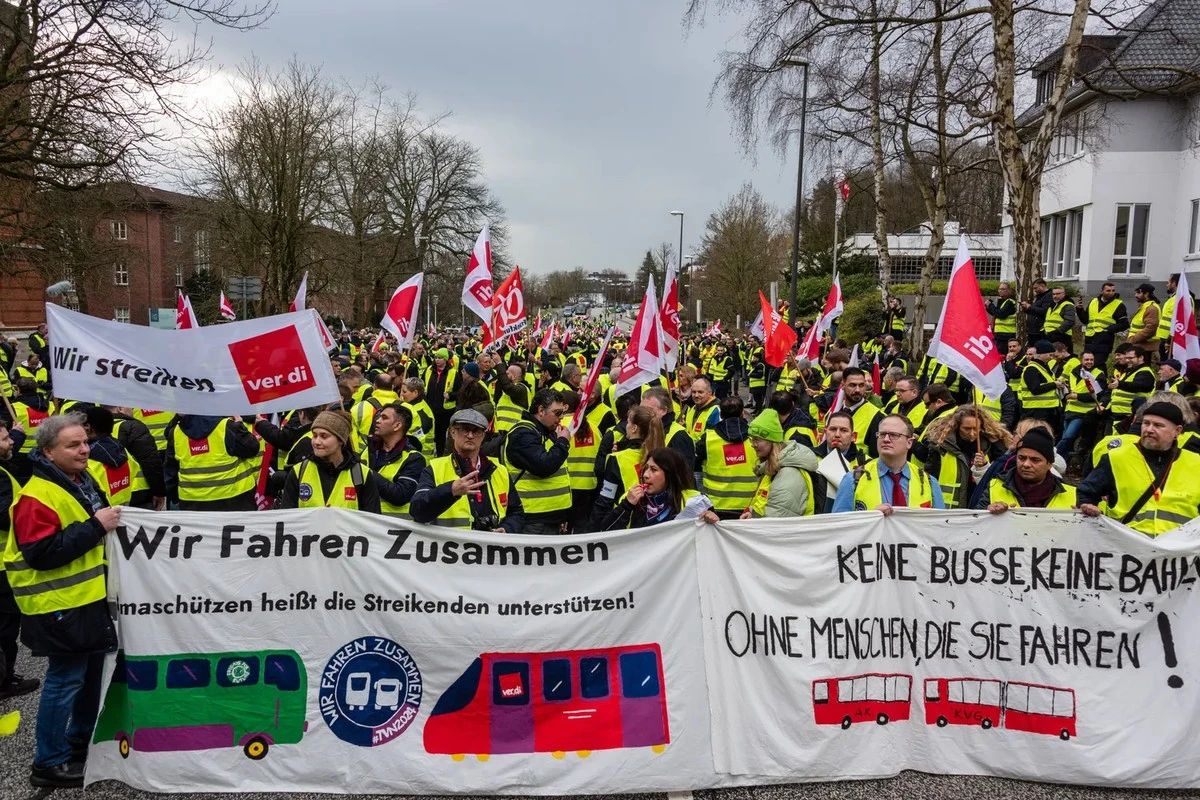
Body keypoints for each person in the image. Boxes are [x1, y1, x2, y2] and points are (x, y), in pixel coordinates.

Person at [5, 413, 121, 788]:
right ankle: (48, 762)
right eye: (73, 445)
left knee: (87, 677)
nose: (84, 449)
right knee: (65, 680)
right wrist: (95, 526)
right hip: (58, 606)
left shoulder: (80, 481)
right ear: (48, 452)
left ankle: (79, 744)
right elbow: (40, 553)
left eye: (84, 442)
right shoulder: (37, 496)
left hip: (84, 599)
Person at [1078, 401, 1200, 535]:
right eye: (1146, 423)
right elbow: (1086, 492)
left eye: (1158, 425)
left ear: (1177, 431)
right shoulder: (1117, 458)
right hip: (1128, 547)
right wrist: (1089, 507)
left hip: (1179, 550)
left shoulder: (1196, 463)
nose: (1149, 430)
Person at [410, 409, 524, 531]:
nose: (470, 435)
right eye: (464, 430)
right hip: (450, 547)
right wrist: (451, 491)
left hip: (491, 548)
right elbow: (417, 511)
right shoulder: (435, 468)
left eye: (477, 431)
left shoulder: (499, 470)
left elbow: (516, 513)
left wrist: (506, 529)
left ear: (483, 436)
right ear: (452, 432)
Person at [833, 414, 947, 513]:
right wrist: (870, 517)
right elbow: (840, 528)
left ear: (909, 442)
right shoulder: (853, 480)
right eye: (882, 434)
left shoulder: (929, 482)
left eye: (894, 435)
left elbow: (939, 527)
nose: (886, 439)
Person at [0, 421, 39, 702]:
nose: (11, 442)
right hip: (2, 565)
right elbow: (3, 515)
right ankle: (3, 681)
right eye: (5, 439)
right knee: (5, 625)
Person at [277, 411, 380, 512]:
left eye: (324, 436)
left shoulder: (362, 474)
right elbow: (287, 519)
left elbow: (372, 522)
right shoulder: (298, 472)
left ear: (340, 440)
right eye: (314, 435)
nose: (317, 442)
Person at [594, 448, 718, 530]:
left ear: (670, 474)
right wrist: (626, 506)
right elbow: (606, 532)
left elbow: (712, 539)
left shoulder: (695, 501)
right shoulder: (631, 497)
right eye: (646, 468)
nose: (645, 475)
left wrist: (713, 520)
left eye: (653, 470)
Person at [503, 389, 572, 535]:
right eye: (557, 413)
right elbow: (544, 466)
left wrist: (562, 515)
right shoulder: (523, 433)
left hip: (549, 517)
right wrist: (563, 442)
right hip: (533, 518)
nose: (561, 418)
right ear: (541, 410)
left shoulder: (545, 432)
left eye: (563, 413)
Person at [920, 405, 1012, 509]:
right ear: (957, 426)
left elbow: (996, 481)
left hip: (978, 506)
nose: (972, 433)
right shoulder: (941, 446)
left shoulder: (990, 446)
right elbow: (930, 478)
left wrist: (984, 466)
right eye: (967, 429)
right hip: (947, 510)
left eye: (975, 429)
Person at [165, 414, 261, 511]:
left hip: (192, 502)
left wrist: (174, 497)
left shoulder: (176, 432)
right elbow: (252, 448)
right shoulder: (228, 426)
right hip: (235, 498)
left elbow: (171, 470)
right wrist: (240, 425)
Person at [592, 406, 664, 525]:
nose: (626, 426)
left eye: (628, 422)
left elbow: (605, 500)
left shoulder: (617, 459)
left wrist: (593, 528)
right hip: (654, 522)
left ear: (634, 428)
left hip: (623, 524)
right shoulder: (662, 456)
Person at [975, 428, 1077, 512]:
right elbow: (977, 524)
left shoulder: (1072, 495)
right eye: (1021, 458)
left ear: (1049, 464)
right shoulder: (994, 486)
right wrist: (987, 512)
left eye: (1035, 460)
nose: (1026, 464)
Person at [741, 409, 819, 518]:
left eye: (757, 440)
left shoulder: (789, 474)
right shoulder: (773, 468)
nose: (752, 444)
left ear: (772, 441)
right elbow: (765, 505)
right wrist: (752, 513)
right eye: (751, 439)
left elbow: (776, 522)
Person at [696, 396, 758, 519]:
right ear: (742, 414)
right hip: (750, 506)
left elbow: (696, 470)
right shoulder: (755, 438)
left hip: (715, 508)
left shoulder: (707, 439)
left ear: (721, 414)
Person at [364, 403, 425, 517]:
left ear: (397, 426)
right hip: (366, 524)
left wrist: (367, 472)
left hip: (394, 528)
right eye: (379, 416)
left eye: (384, 417)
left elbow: (401, 495)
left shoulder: (414, 458)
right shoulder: (368, 451)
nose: (378, 420)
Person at [641, 386, 695, 470]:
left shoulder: (679, 436)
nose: (642, 413)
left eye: (648, 410)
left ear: (663, 411)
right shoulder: (644, 429)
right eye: (641, 409)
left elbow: (684, 474)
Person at [1078, 282, 1128, 370]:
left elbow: (1124, 324)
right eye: (1108, 290)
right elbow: (1086, 320)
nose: (1111, 293)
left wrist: (1108, 330)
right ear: (1102, 291)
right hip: (1090, 339)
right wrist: (1079, 310)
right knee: (1087, 365)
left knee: (1098, 365)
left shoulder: (1118, 305)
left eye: (1113, 290)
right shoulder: (1093, 301)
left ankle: (1101, 382)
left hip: (1104, 341)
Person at [1021, 340, 1062, 436]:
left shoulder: (1043, 367)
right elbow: (1035, 389)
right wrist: (1054, 384)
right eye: (1050, 355)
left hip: (1047, 409)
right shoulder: (1031, 369)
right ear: (1041, 354)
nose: (1051, 358)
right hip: (1036, 410)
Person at [840, 367, 883, 457]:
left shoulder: (877, 416)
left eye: (861, 385)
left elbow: (877, 456)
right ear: (842, 385)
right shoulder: (835, 409)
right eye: (852, 385)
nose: (857, 390)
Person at [1127, 282, 1162, 359]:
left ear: (1146, 294)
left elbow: (1150, 329)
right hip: (1143, 345)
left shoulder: (1151, 308)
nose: (1136, 295)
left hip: (1146, 346)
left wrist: (1134, 339)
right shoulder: (1146, 306)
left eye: (1139, 293)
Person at [683, 377, 720, 442]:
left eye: (700, 392)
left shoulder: (716, 411)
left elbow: (713, 439)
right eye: (694, 392)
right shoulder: (692, 408)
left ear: (709, 393)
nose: (696, 395)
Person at [986, 282, 1018, 354]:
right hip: (1000, 334)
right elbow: (996, 313)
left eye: (1003, 289)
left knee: (1002, 355)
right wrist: (988, 308)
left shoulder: (1010, 302)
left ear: (1009, 290)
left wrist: (990, 306)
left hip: (1006, 334)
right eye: (999, 289)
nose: (1000, 291)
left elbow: (1001, 314)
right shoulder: (1003, 301)